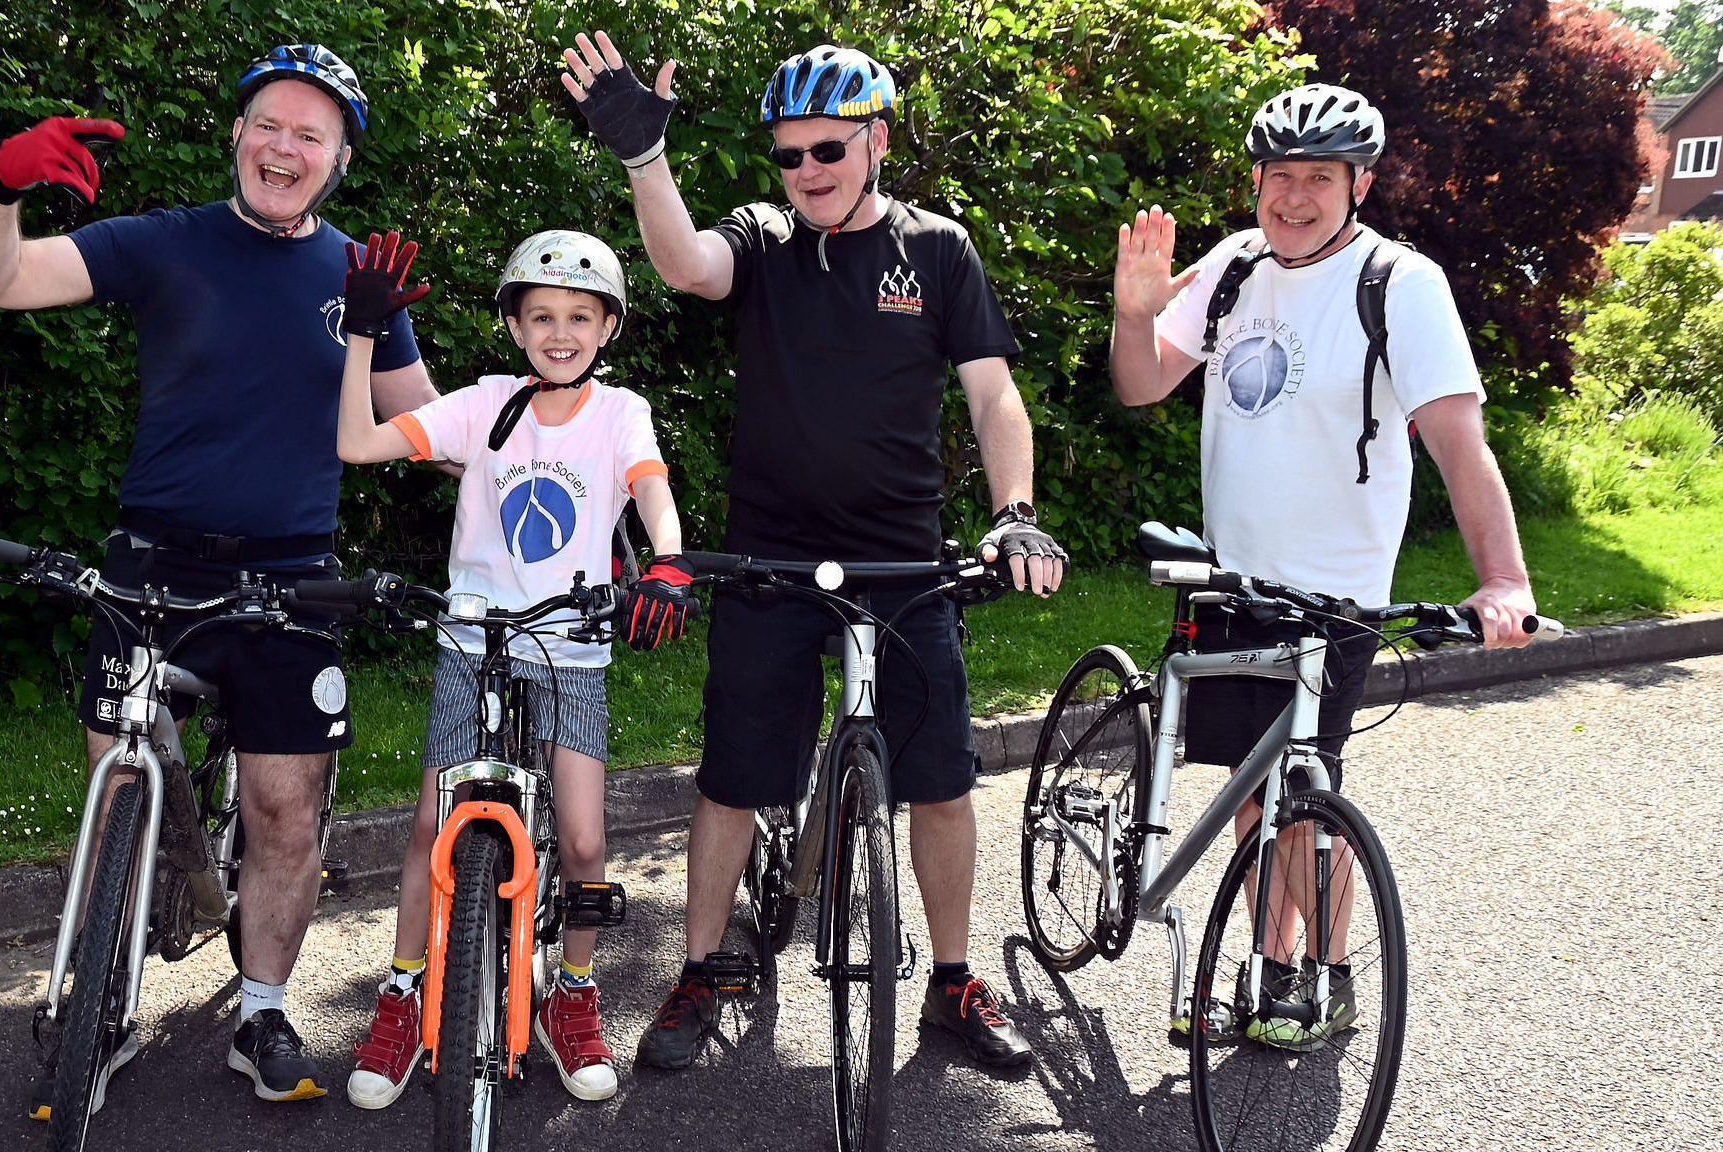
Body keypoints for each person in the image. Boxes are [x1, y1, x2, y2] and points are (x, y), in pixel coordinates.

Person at [561, 32, 1067, 1071]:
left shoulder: (937, 251)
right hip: (770, 561)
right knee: (736, 780)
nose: (805, 175)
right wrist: (641, 160)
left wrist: (1013, 510)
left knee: (939, 781)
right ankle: (702, 972)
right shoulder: (763, 235)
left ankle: (953, 982)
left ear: (876, 141)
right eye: (787, 156)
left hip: (902, 562)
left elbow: (991, 393)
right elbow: (687, 268)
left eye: (826, 152)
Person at [0, 44, 442, 1111]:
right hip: (151, 567)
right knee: (118, 781)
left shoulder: (359, 277)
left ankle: (262, 1006)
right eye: (270, 123)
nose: (285, 145)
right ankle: (107, 994)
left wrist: (554, 432)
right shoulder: (165, 244)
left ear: (338, 159)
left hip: (293, 578)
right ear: (237, 134)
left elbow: (423, 427)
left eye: (311, 134)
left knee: (283, 807)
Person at [1109, 83, 1540, 1048]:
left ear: (1361, 185)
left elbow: (1459, 445)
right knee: (1250, 795)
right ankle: (1271, 972)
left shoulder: (1400, 283)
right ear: (1256, 179)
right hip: (1227, 581)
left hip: (1335, 593)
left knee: (1303, 793)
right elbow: (1140, 385)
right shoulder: (1230, 267)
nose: (1294, 197)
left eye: (1319, 178)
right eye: (1279, 175)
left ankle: (1324, 973)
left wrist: (1504, 579)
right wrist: (1135, 312)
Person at [333, 228, 694, 1106]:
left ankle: (573, 992)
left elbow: (650, 491)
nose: (560, 332)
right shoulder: (488, 403)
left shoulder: (621, 413)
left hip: (570, 646)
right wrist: (362, 337)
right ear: (516, 326)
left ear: (607, 327)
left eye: (579, 316)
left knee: (582, 840)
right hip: (473, 641)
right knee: (429, 830)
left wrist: (668, 564)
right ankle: (403, 990)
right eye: (541, 316)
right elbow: (356, 444)